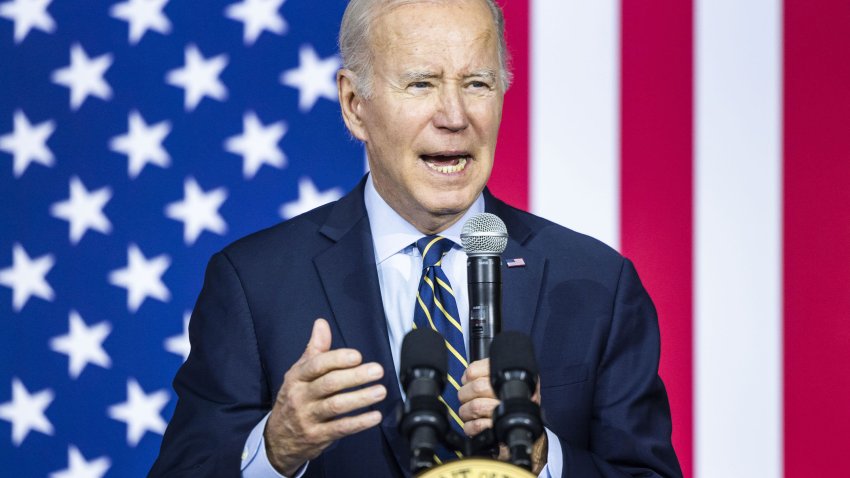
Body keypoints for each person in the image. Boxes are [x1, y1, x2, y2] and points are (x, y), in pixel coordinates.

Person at [149, 0, 683, 476]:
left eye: (477, 83)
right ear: (355, 104)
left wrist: (542, 461)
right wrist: (275, 449)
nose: (454, 116)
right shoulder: (254, 282)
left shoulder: (596, 282)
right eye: (421, 83)